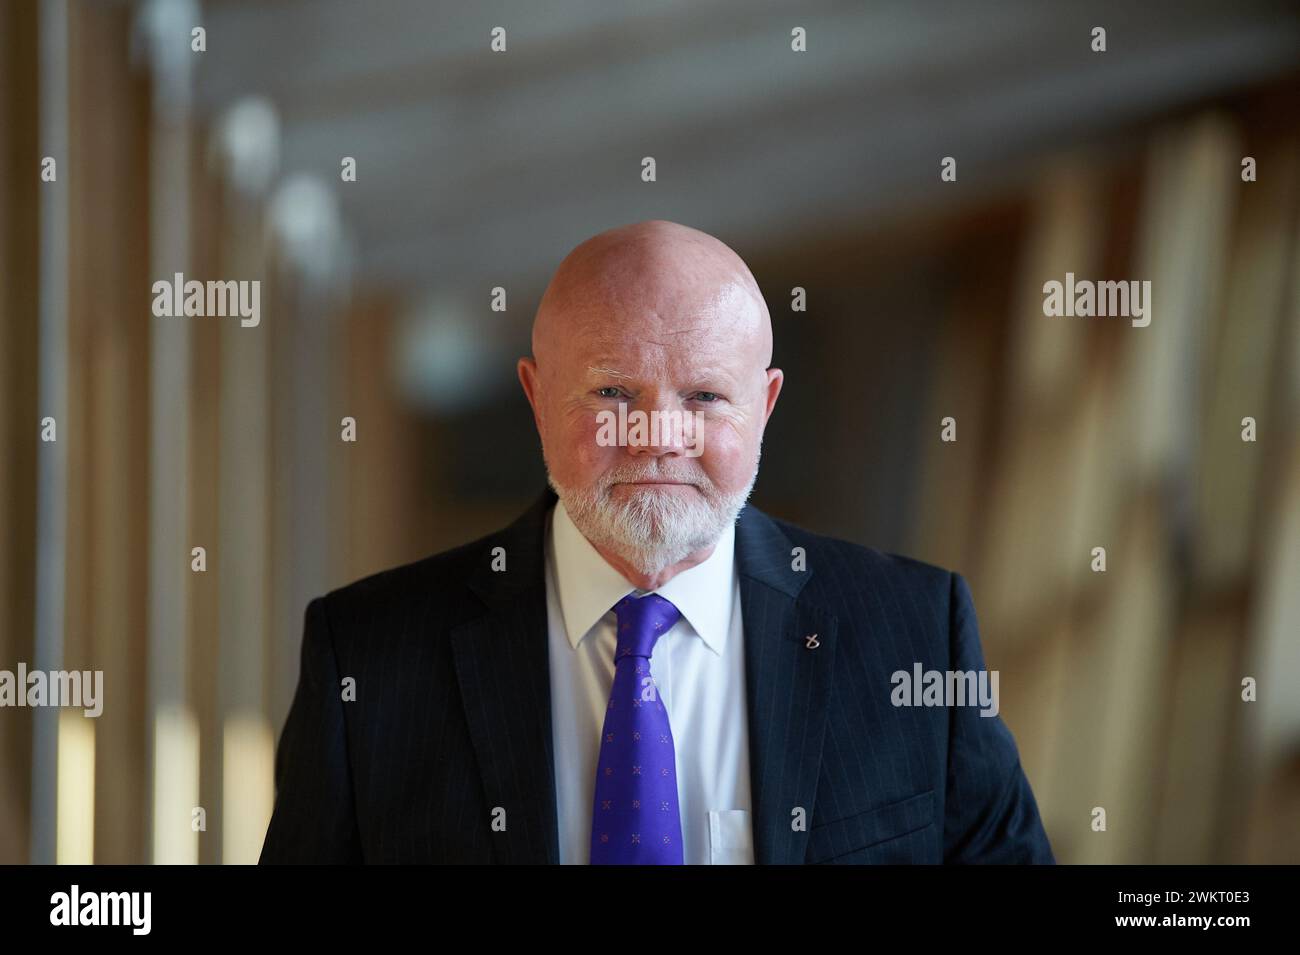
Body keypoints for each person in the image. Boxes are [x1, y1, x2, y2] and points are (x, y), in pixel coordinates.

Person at [260, 219, 1055, 864]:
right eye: (612, 392)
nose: (658, 436)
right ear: (537, 398)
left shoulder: (914, 632)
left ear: (765, 405)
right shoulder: (367, 657)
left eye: (705, 396)